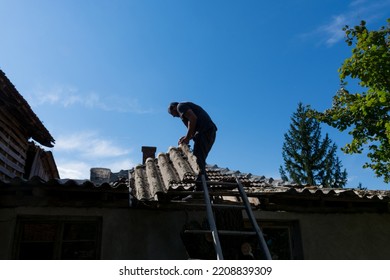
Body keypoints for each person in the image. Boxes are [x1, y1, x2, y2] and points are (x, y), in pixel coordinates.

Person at [168, 101, 217, 190]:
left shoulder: (180, 106)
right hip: (207, 132)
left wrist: (187, 137)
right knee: (199, 159)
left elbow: (193, 119)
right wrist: (187, 137)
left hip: (205, 132)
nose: (176, 116)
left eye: (173, 114)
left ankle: (200, 188)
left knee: (197, 159)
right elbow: (193, 127)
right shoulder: (184, 107)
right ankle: (205, 185)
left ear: (173, 107)